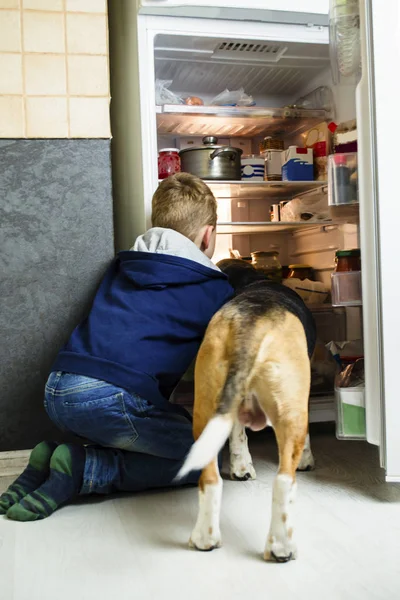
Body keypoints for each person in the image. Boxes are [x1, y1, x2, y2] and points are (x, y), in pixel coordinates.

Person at [0, 173, 233, 521]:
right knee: (207, 455)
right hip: (108, 399)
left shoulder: (124, 265)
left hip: (58, 390)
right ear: (208, 233)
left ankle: (50, 460)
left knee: (167, 423)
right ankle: (85, 470)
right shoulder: (214, 288)